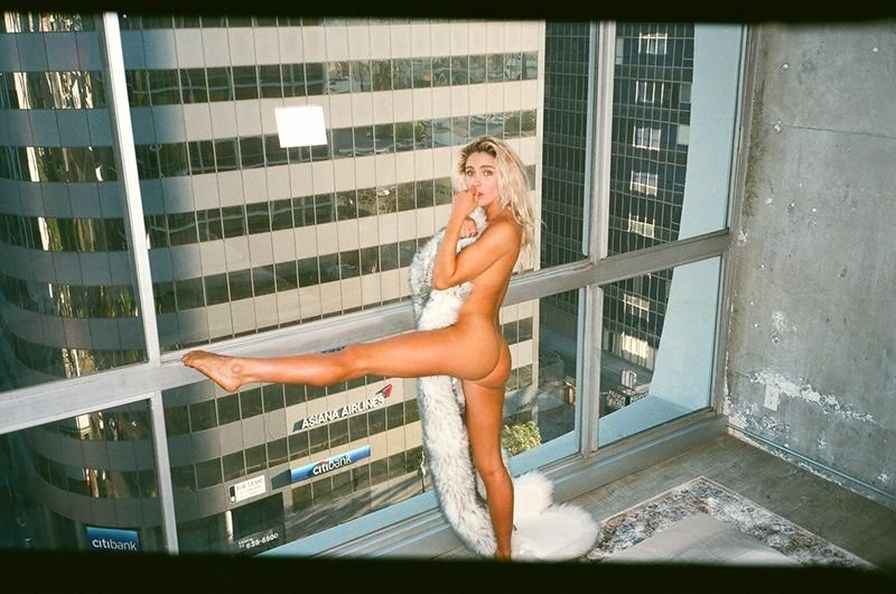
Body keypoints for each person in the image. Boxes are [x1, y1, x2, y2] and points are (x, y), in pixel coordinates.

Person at [181, 136, 536, 561]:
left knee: (353, 359)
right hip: (488, 351)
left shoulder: (502, 228)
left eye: (487, 173)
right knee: (490, 465)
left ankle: (240, 370)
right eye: (471, 172)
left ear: (506, 176)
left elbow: (443, 278)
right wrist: (463, 226)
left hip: (472, 343)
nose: (475, 182)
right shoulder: (501, 221)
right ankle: (505, 555)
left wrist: (457, 216)